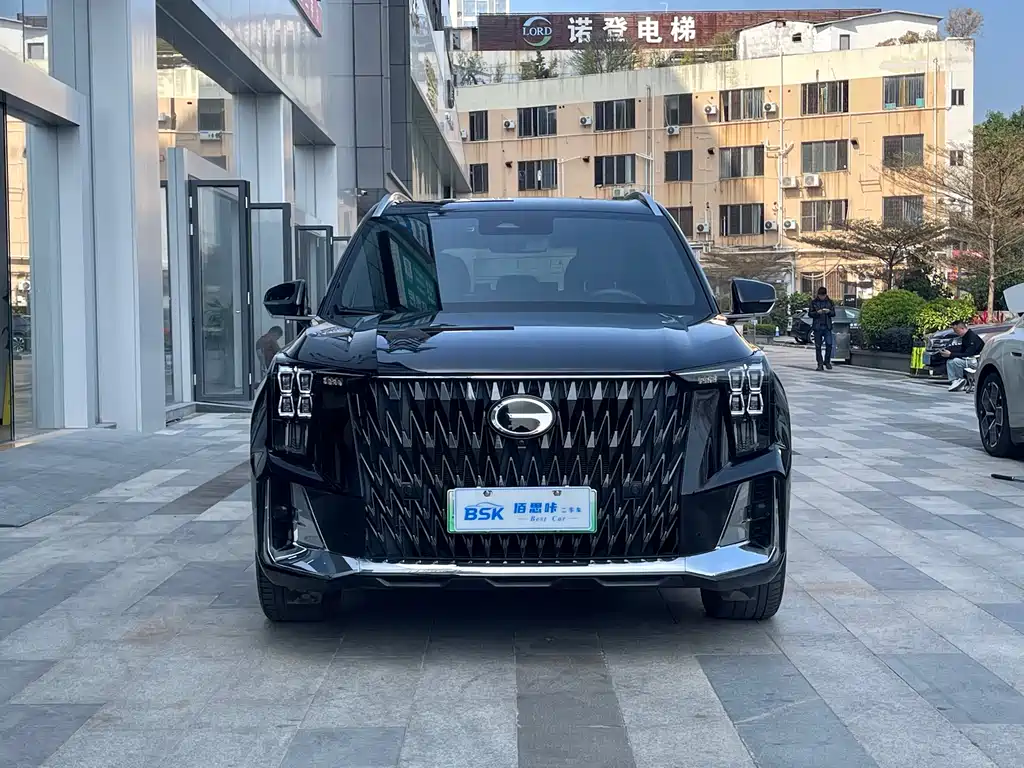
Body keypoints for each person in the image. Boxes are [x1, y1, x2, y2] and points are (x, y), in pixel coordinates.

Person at [940, 320, 984, 392]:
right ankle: (954, 381)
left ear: (962, 328)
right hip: (969, 359)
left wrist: (951, 354)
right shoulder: (965, 337)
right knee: (950, 361)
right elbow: (963, 350)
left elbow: (968, 353)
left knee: (956, 361)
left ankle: (960, 379)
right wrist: (950, 352)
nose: (955, 332)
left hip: (975, 360)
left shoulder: (972, 337)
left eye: (956, 330)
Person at [809, 286, 836, 371]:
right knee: (818, 346)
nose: (822, 297)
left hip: (827, 326)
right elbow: (810, 313)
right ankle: (820, 364)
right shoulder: (814, 302)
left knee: (829, 344)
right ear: (818, 295)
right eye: (820, 295)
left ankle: (827, 361)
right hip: (818, 326)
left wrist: (829, 312)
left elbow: (833, 313)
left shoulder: (830, 302)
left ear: (826, 295)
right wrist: (817, 313)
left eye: (823, 295)